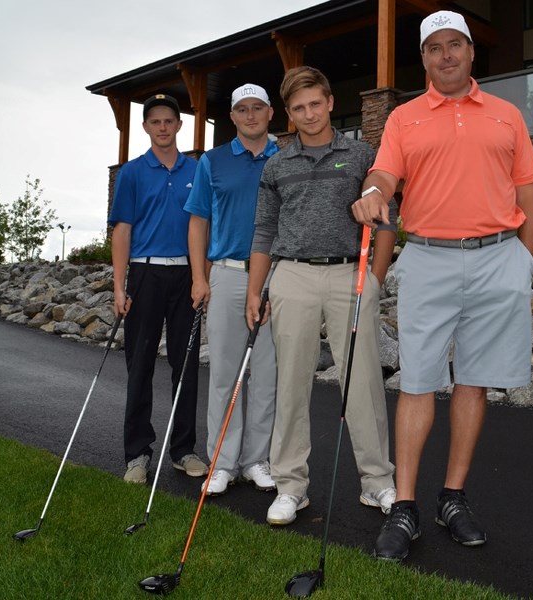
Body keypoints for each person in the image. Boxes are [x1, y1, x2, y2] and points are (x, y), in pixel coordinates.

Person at [351, 10, 533, 560]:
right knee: (417, 382)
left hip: (496, 259)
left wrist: (521, 264)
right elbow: (385, 175)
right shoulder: (404, 119)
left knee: (475, 381)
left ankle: (452, 499)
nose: (446, 55)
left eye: (454, 44)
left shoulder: (507, 115)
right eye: (434, 48)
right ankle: (405, 507)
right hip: (430, 259)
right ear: (425, 58)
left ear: (470, 51)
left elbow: (529, 192)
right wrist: (372, 191)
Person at [246, 66, 396, 526]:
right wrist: (256, 290)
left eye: (315, 103)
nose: (309, 114)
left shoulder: (360, 154)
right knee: (290, 384)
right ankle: (291, 487)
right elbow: (264, 231)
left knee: (364, 382)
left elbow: (386, 218)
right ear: (288, 115)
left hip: (350, 275)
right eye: (298, 108)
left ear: (330, 101)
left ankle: (377, 483)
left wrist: (376, 277)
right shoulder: (276, 165)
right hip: (291, 276)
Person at [184, 83, 278, 496]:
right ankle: (222, 462)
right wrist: (199, 277)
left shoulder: (286, 157)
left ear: (271, 113)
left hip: (278, 276)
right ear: (234, 117)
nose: (251, 115)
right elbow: (198, 221)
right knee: (224, 373)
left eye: (258, 108)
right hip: (227, 273)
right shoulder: (214, 160)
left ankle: (257, 460)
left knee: (268, 374)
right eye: (243, 109)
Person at [109, 93, 208, 485]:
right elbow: (122, 231)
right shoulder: (133, 172)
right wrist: (119, 287)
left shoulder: (197, 170)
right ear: (147, 127)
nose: (163, 127)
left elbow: (204, 226)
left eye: (170, 121)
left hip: (186, 276)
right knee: (141, 366)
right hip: (145, 275)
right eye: (156, 122)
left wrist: (203, 276)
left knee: (185, 368)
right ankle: (137, 454)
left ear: (179, 125)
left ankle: (183, 450)